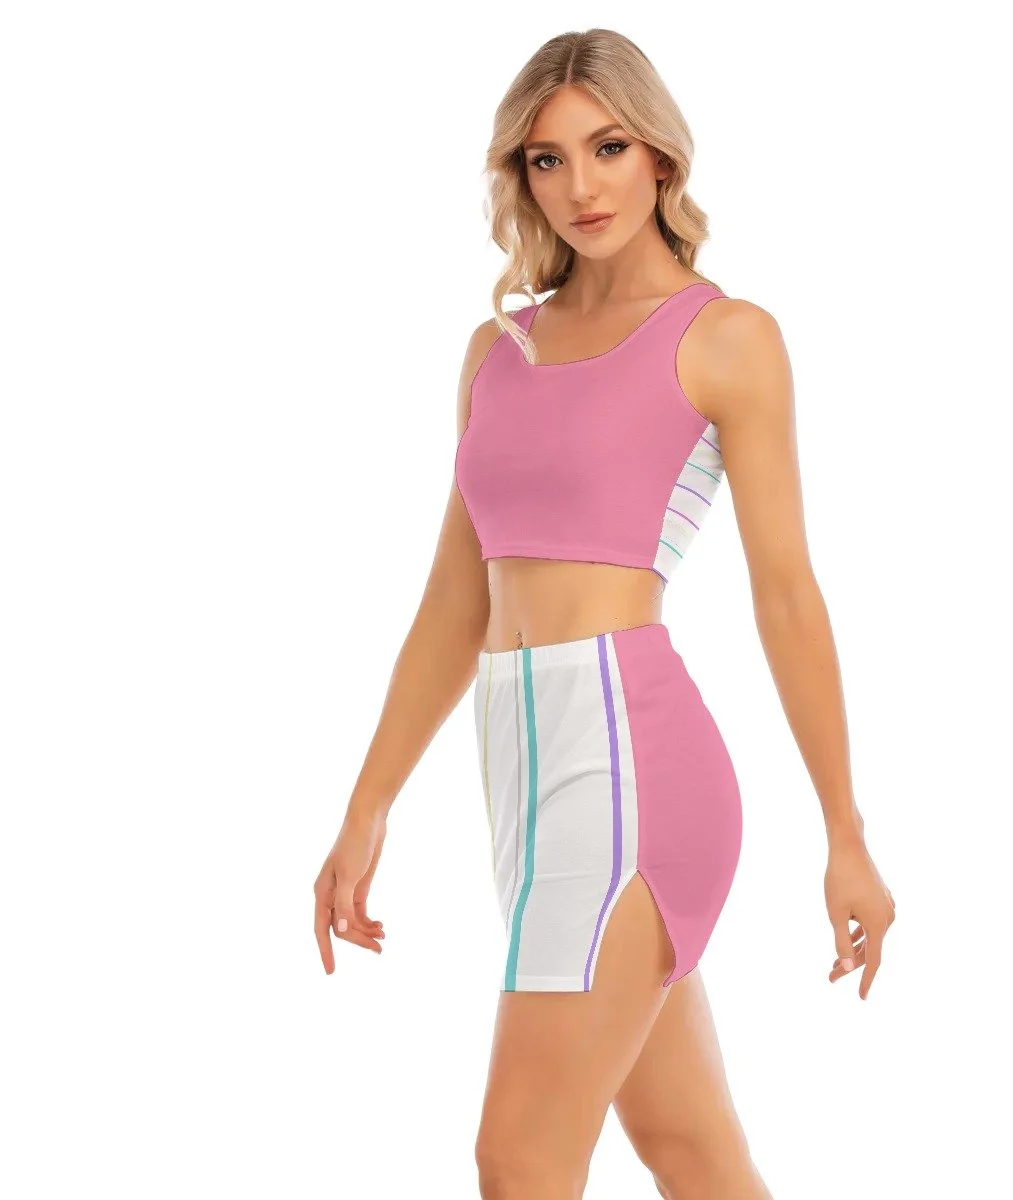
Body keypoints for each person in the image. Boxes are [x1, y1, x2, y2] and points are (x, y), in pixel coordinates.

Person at [313, 27, 895, 1200]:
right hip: (520, 767)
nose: (581, 185)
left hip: (631, 760)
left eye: (609, 147)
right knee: (688, 1148)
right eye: (547, 159)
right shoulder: (498, 351)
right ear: (519, 175)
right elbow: (455, 600)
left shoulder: (725, 338)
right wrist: (367, 806)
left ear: (661, 157)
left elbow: (787, 592)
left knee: (520, 1156)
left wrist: (844, 829)